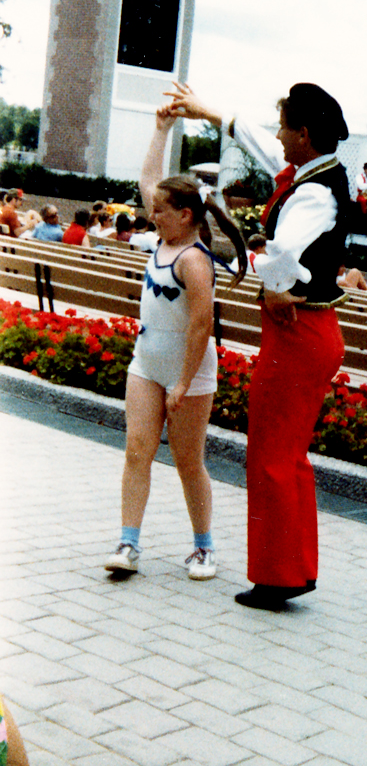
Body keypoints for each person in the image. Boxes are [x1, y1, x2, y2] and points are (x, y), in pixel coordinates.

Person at [167, 80, 349, 610]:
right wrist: (210, 113)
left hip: (297, 335)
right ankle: (292, 569)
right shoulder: (314, 172)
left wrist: (276, 288)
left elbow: (283, 246)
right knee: (288, 456)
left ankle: (277, 579)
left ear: (305, 134)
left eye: (285, 127)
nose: (278, 136)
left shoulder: (313, 191)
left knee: (271, 454)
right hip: (311, 334)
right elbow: (261, 146)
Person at [104, 103, 247, 581]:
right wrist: (161, 128)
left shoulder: (194, 260)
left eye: (161, 211)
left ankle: (204, 548)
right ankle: (128, 543)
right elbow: (150, 179)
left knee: (188, 462)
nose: (151, 215)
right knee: (137, 451)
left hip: (191, 371)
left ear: (185, 216)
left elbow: (202, 326)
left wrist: (184, 383)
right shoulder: (164, 239)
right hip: (146, 364)